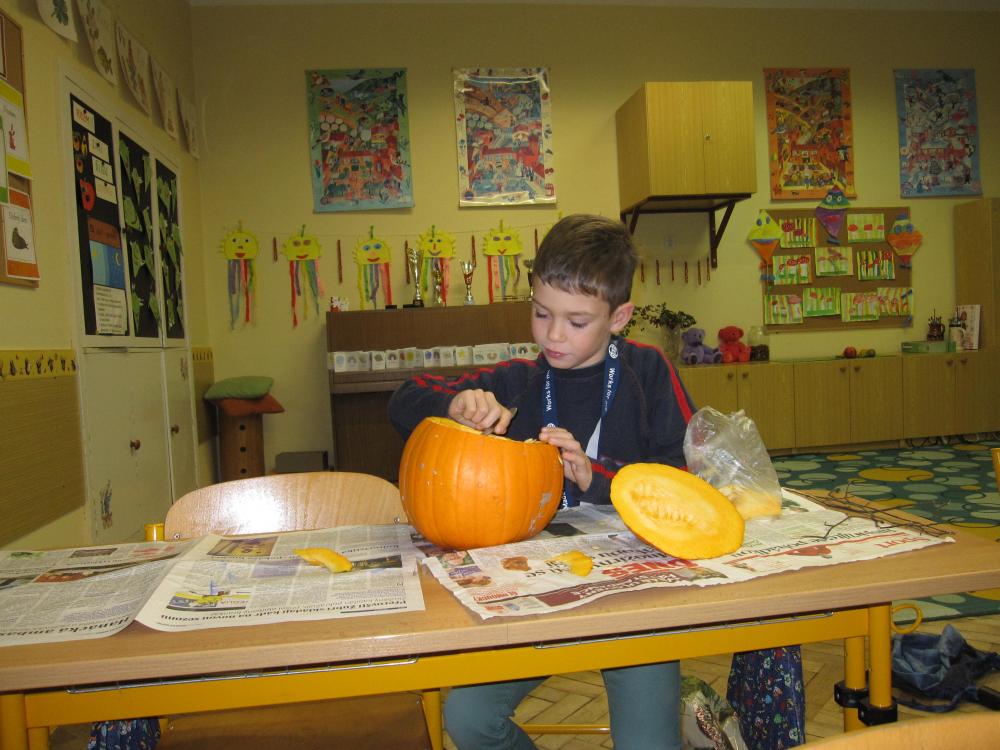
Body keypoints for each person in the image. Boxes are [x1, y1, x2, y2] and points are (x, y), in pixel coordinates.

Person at [388, 213, 695, 750]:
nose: (553, 335)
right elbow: (402, 400)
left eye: (576, 321)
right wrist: (455, 404)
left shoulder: (648, 372)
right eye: (541, 313)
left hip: (635, 601)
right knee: (469, 719)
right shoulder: (520, 380)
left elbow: (685, 480)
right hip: (538, 595)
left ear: (619, 317)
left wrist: (599, 478)